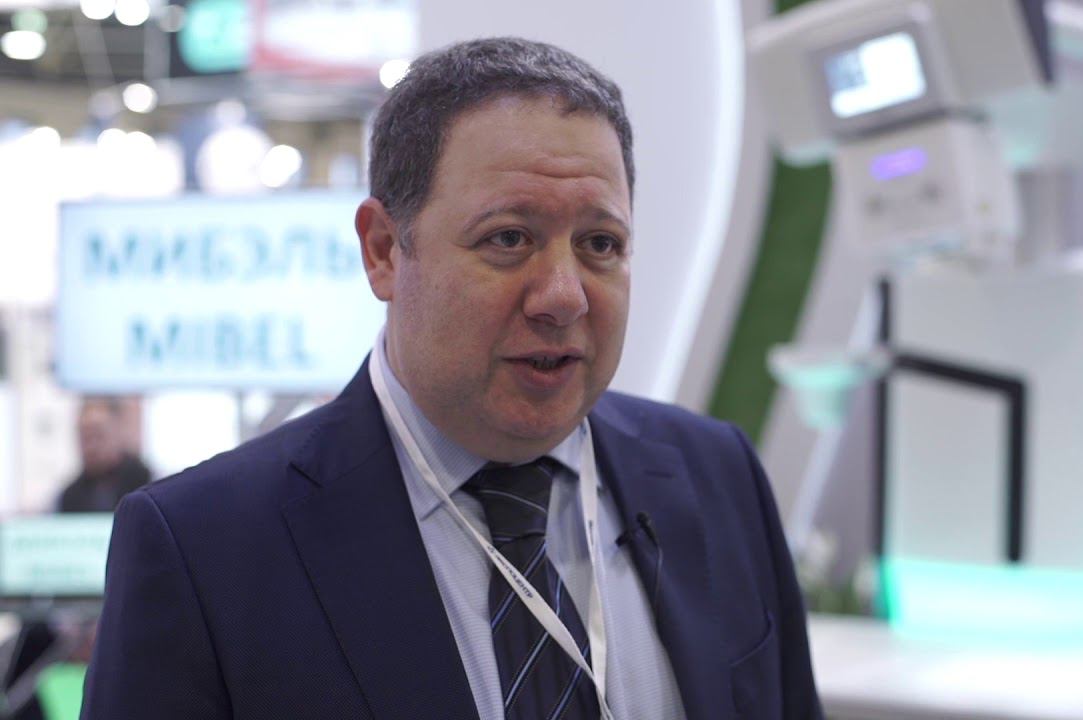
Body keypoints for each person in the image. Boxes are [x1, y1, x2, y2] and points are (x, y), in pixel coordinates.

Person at [81, 37, 822, 720]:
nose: (563, 295)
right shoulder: (205, 552)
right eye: (509, 238)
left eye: (601, 243)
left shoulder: (717, 476)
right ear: (383, 251)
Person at [56, 397, 151, 513]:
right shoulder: (70, 497)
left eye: (98, 436)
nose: (91, 447)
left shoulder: (147, 484)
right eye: (85, 438)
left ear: (117, 433)